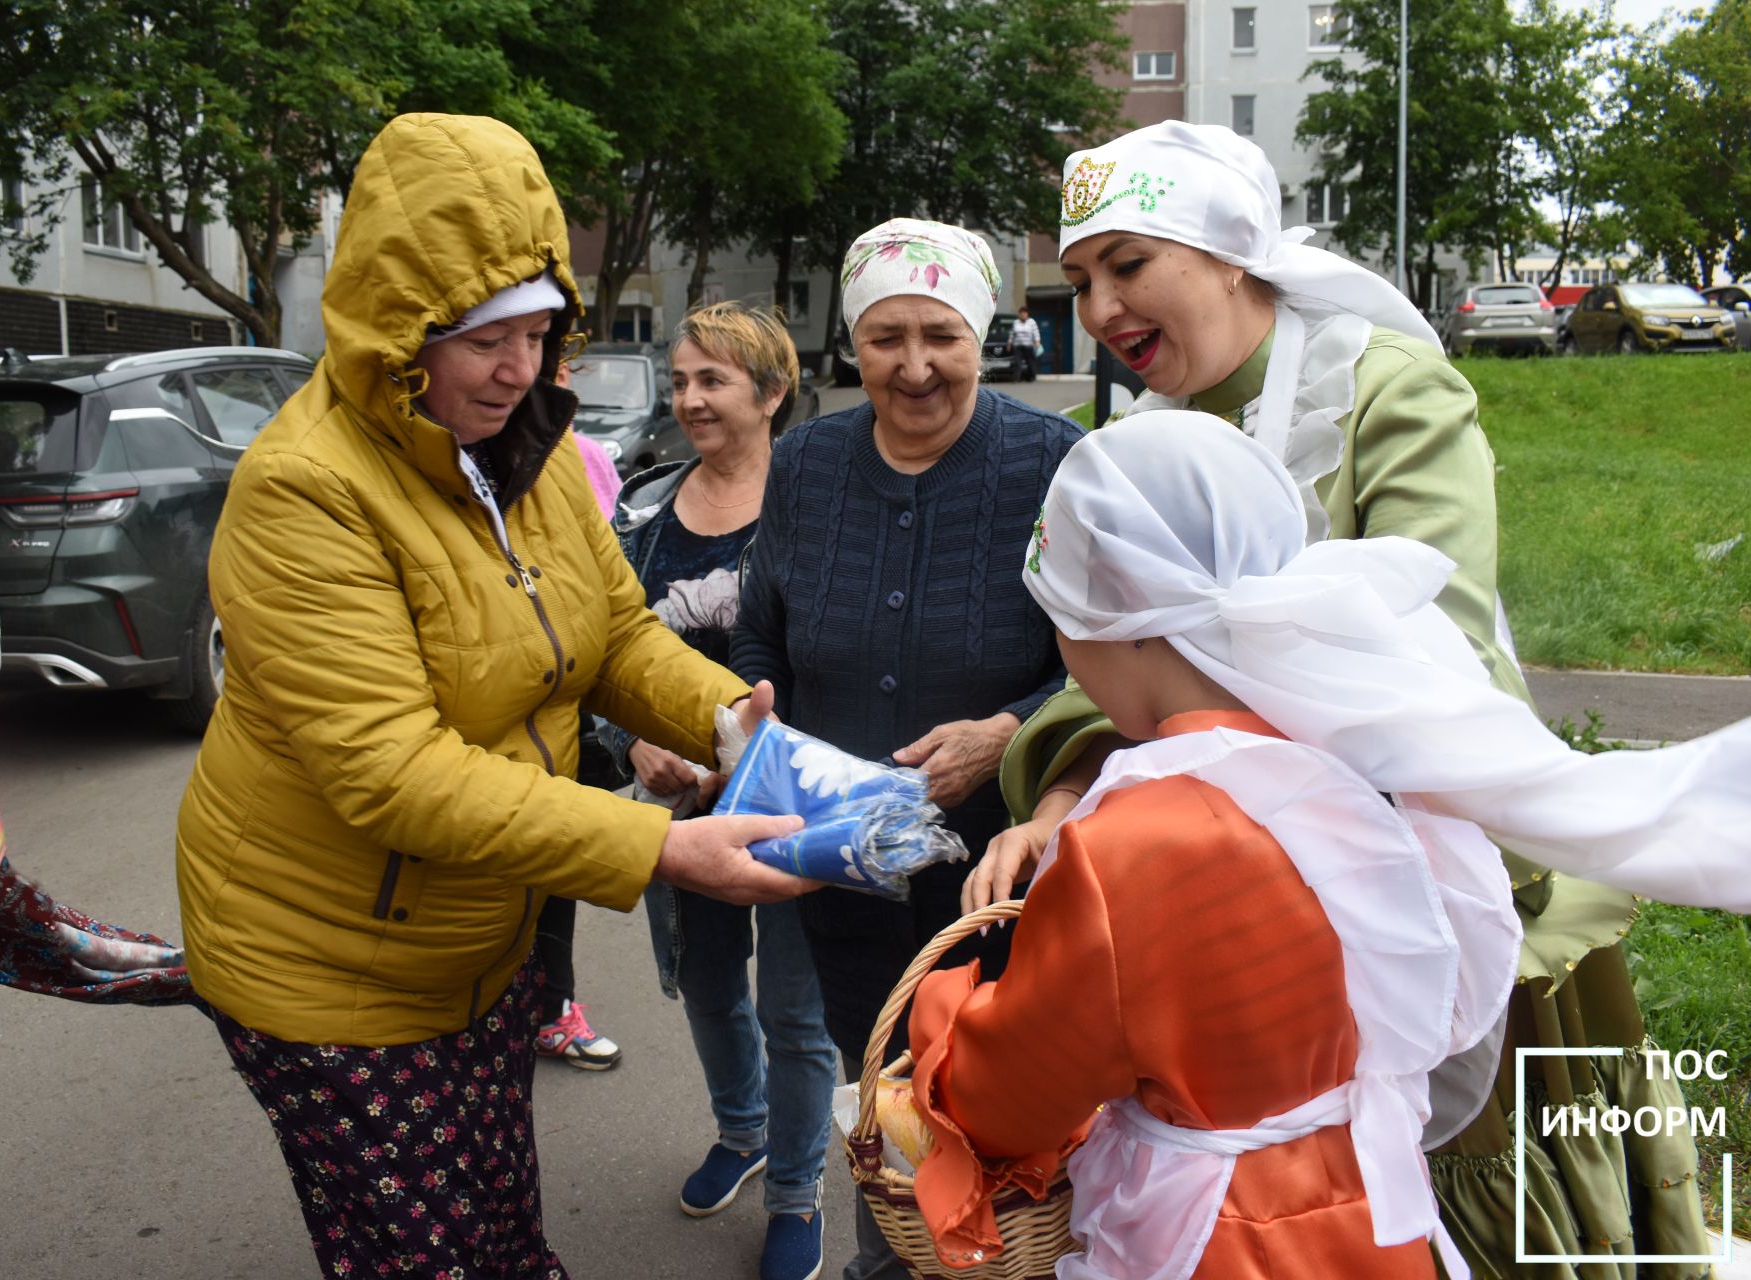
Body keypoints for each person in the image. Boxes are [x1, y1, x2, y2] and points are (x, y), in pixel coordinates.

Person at [978, 120, 1712, 1270]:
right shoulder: (1129, 432)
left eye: (1129, 264)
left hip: (1410, 873)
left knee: (1456, 1191)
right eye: (1079, 280)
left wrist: (1208, 800)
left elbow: (1433, 638)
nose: (1104, 308)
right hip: (1226, 925)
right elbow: (1111, 655)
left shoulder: (1382, 389)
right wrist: (1063, 796)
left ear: (1229, 249)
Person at [173, 113, 806, 1280]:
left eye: (539, 333)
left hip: (478, 937)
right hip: (327, 968)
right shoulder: (303, 492)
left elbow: (611, 629)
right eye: (483, 341)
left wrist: (727, 718)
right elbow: (393, 770)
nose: (520, 372)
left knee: (501, 1219)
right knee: (423, 1251)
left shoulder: (529, 445)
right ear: (398, 331)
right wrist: (660, 851)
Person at [908, 411, 1751, 1279]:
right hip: (1376, 1211)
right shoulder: (1359, 754)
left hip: (1220, 1237)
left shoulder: (1129, 848)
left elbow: (1012, 1092)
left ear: (1097, 618)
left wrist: (944, 1015)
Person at [728, 218, 1083, 1280]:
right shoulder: (806, 461)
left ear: (983, 332)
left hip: (1002, 879)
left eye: (941, 334)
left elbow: (1108, 666)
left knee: (1019, 1121)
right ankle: (894, 1257)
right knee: (880, 1101)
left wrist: (1009, 728)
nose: (914, 364)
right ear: (852, 341)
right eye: (886, 336)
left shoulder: (1053, 462)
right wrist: (750, 721)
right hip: (847, 875)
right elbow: (759, 633)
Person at [600, 301, 836, 1280]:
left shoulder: (822, 506)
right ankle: (741, 1131)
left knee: (794, 1010)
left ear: (773, 393)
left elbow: (846, 659)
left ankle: (796, 1187)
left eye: (712, 380)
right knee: (704, 984)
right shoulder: (645, 517)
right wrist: (633, 740)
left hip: (789, 806)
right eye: (681, 377)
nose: (688, 397)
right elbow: (599, 653)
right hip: (678, 816)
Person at [531, 362, 628, 1072]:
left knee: (553, 867)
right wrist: (653, 845)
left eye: (554, 357)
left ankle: (551, 1004)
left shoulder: (580, 457)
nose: (537, 375)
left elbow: (618, 613)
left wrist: (725, 724)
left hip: (572, 709)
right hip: (507, 723)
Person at [1007, 306, 1040, 382]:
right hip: (1017, 346)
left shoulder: (1031, 322)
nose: (1023, 315)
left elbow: (1036, 332)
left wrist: (1037, 341)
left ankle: (1032, 377)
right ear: (1019, 314)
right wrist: (1009, 343)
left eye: (1025, 314)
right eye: (1022, 314)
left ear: (1027, 314)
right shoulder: (1016, 322)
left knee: (1030, 362)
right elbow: (1012, 334)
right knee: (1018, 362)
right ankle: (1016, 378)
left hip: (1028, 345)